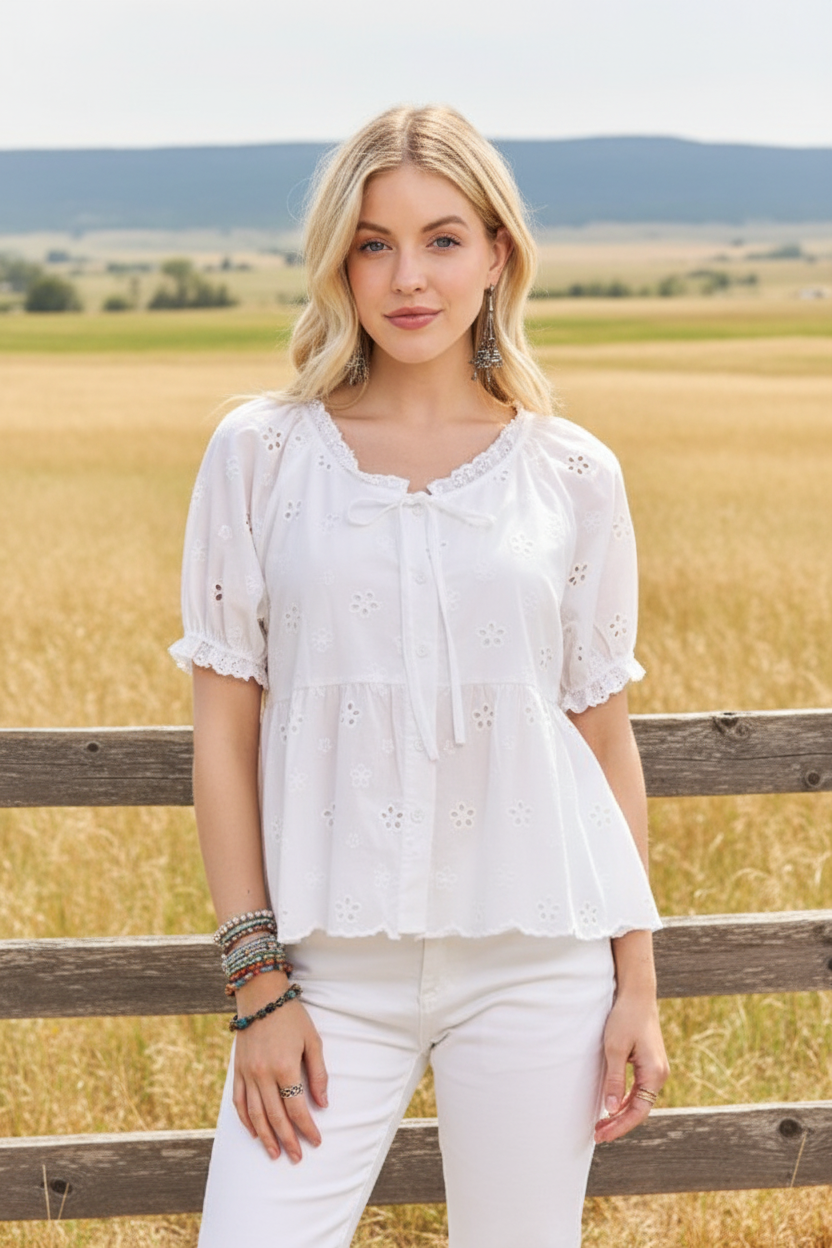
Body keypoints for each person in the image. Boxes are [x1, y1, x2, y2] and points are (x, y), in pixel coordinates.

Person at [170, 104, 669, 1248]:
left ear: (497, 255)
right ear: (337, 261)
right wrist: (259, 988)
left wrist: (633, 983)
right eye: (372, 242)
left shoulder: (572, 473)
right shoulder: (259, 454)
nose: (407, 277)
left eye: (443, 239)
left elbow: (601, 740)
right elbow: (223, 733)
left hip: (541, 967)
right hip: (323, 978)